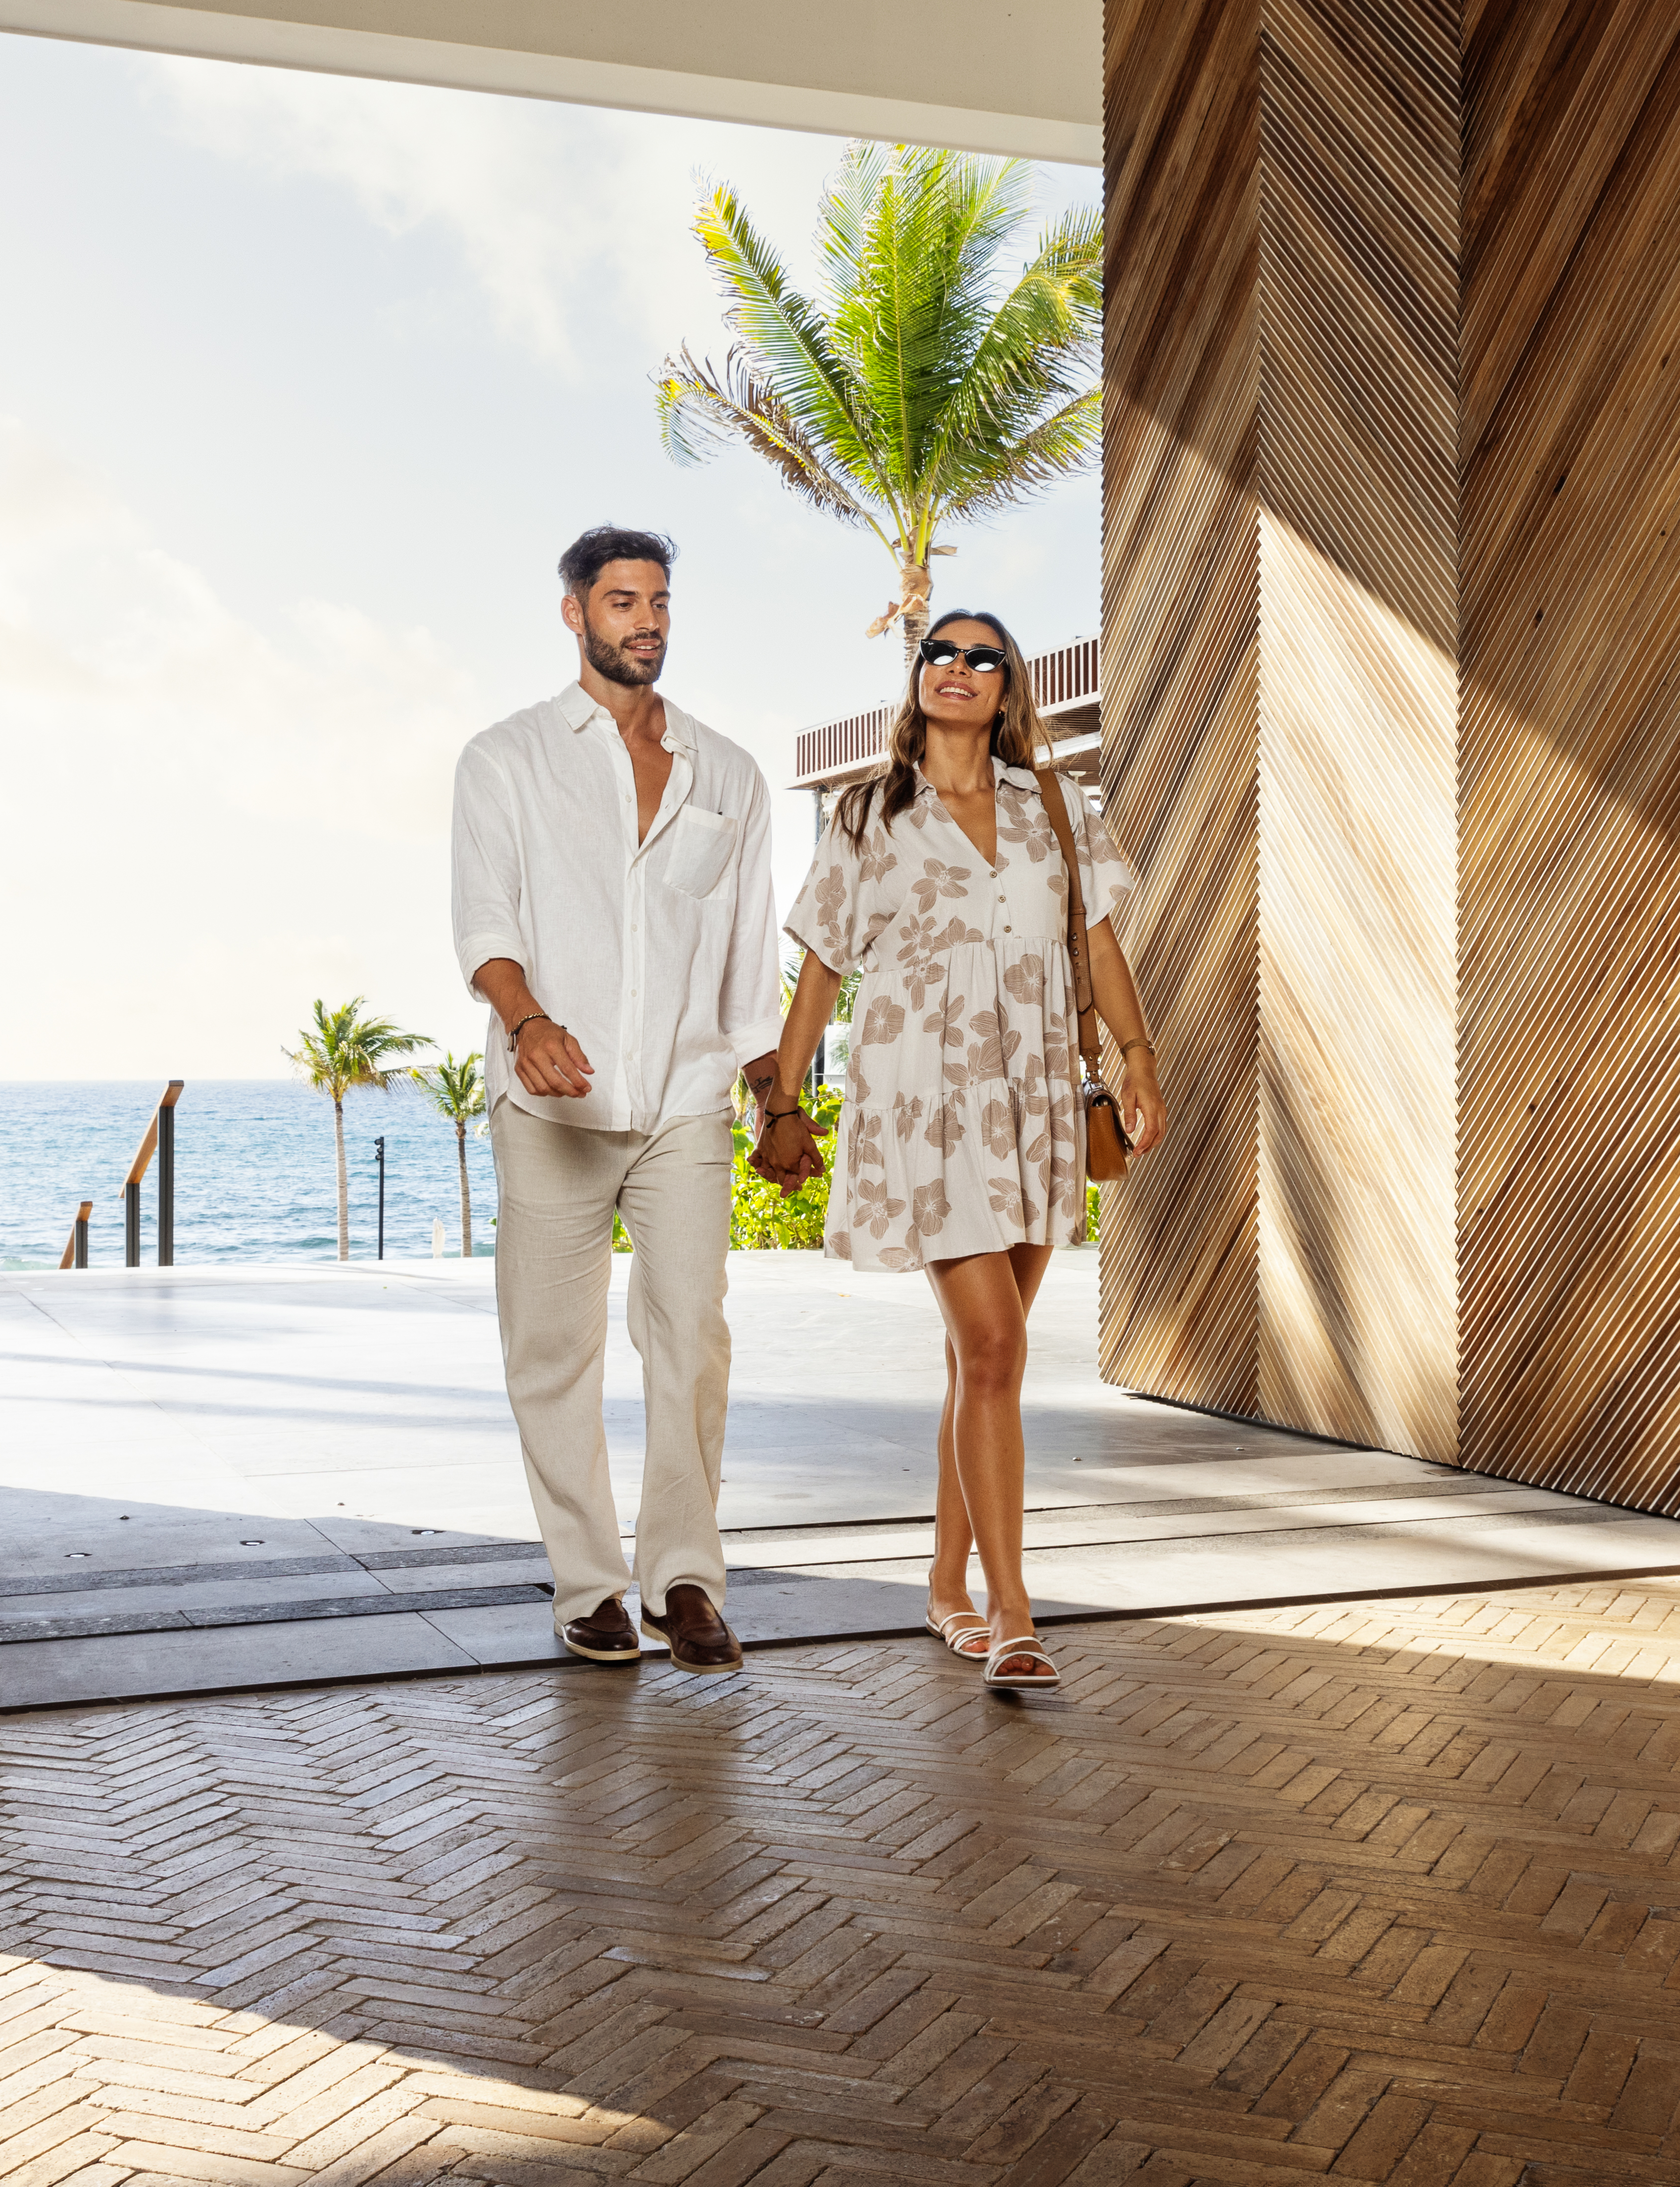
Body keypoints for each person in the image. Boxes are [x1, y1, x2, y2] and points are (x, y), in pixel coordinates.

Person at [754, 610, 1164, 1692]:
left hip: (1030, 1097)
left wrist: (1137, 1056)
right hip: (922, 1101)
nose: (960, 668)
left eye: (985, 657)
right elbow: (821, 970)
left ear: (1009, 687)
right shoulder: (865, 813)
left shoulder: (1060, 810)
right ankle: (1013, 1607)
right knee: (991, 1349)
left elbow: (1097, 942)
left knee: (976, 1358)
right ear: (917, 675)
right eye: (941, 651)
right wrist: (783, 1100)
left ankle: (944, 1586)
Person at [450, 527, 796, 1674]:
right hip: (552, 1105)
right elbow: (484, 925)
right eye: (620, 601)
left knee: (691, 1335)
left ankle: (684, 1577)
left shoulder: (729, 773)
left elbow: (749, 963)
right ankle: (591, 1582)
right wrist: (530, 1022)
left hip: (684, 1101)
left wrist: (776, 1098)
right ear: (574, 614)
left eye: (657, 601)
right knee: (552, 1348)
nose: (644, 620)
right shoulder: (504, 759)